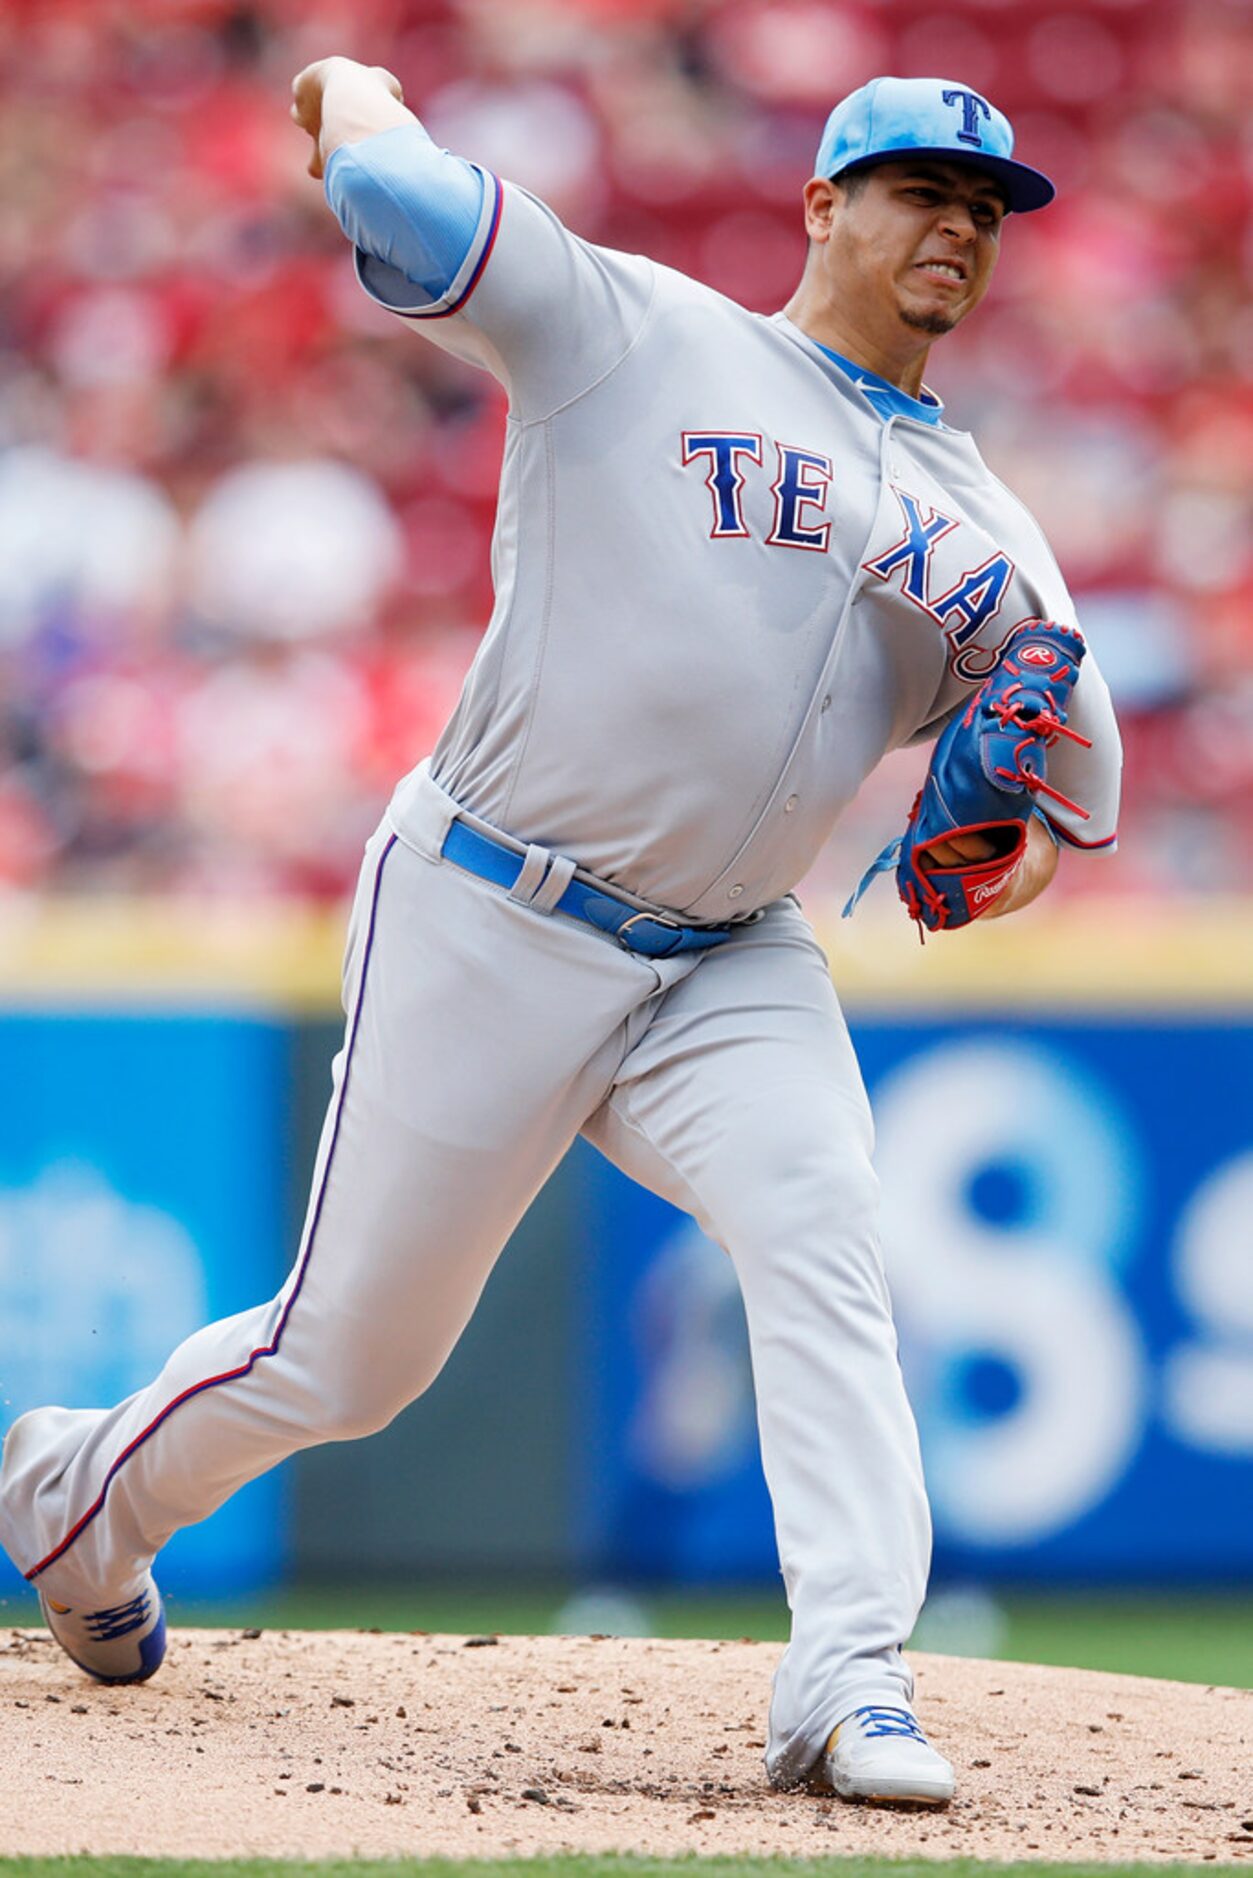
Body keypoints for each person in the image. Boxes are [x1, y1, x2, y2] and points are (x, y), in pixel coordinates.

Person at [0, 67, 1120, 1806]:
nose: (956, 227)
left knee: (824, 1222)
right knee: (348, 1360)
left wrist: (1007, 842)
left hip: (728, 955)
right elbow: (420, 216)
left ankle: (850, 1678)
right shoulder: (641, 334)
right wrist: (359, 99)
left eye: (983, 207)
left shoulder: (996, 531)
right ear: (822, 207)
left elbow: (1052, 802)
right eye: (915, 189)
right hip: (492, 905)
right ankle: (73, 1499)